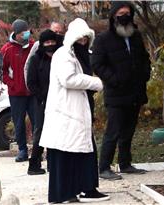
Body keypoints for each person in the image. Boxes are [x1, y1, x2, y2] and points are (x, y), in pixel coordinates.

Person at [39, 18, 110, 203]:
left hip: (78, 112)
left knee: (83, 151)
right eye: (80, 39)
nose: (83, 43)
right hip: (65, 113)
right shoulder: (63, 54)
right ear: (72, 39)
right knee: (64, 155)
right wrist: (97, 83)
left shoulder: (81, 55)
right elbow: (68, 79)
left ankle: (84, 189)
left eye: (86, 39)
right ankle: (63, 194)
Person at [91, 1, 150, 180]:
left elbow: (145, 58)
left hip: (135, 91)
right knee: (113, 131)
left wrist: (144, 75)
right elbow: (97, 64)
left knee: (129, 130)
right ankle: (104, 167)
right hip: (116, 93)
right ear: (113, 16)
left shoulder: (136, 36)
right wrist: (114, 79)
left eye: (127, 12)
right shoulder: (104, 39)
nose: (124, 16)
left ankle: (125, 163)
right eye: (121, 13)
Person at [26, 29, 62, 175]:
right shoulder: (36, 59)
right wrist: (41, 97)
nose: (50, 45)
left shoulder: (61, 57)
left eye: (52, 42)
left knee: (58, 132)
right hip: (42, 101)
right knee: (40, 132)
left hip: (60, 100)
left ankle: (54, 163)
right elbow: (31, 82)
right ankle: (34, 163)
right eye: (47, 42)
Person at [1, 19, 35, 162]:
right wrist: (13, 84)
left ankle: (38, 149)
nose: (26, 34)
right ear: (15, 33)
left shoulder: (34, 46)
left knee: (37, 121)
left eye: (27, 31)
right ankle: (22, 149)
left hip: (33, 92)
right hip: (16, 94)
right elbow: (1, 72)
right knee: (19, 122)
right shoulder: (6, 49)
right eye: (22, 33)